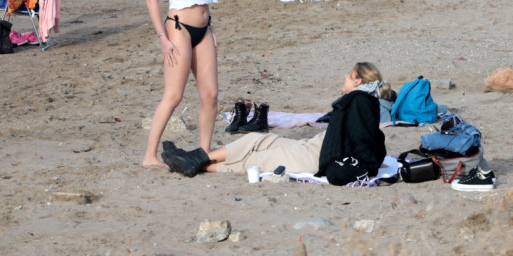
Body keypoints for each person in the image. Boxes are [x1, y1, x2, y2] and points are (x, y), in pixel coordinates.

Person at [160, 63, 390, 185]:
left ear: (358, 81)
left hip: (316, 157)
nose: (345, 78)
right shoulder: (362, 101)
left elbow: (364, 142)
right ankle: (197, 157)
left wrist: (365, 166)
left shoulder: (359, 101)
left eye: (349, 76)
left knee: (254, 161)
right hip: (315, 146)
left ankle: (198, 166)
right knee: (258, 139)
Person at [142, 0, 220, 169]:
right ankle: (149, 156)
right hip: (178, 29)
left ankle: (205, 150)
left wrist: (210, 28)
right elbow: (152, 0)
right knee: (174, 96)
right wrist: (162, 38)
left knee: (210, 95)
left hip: (204, 29)